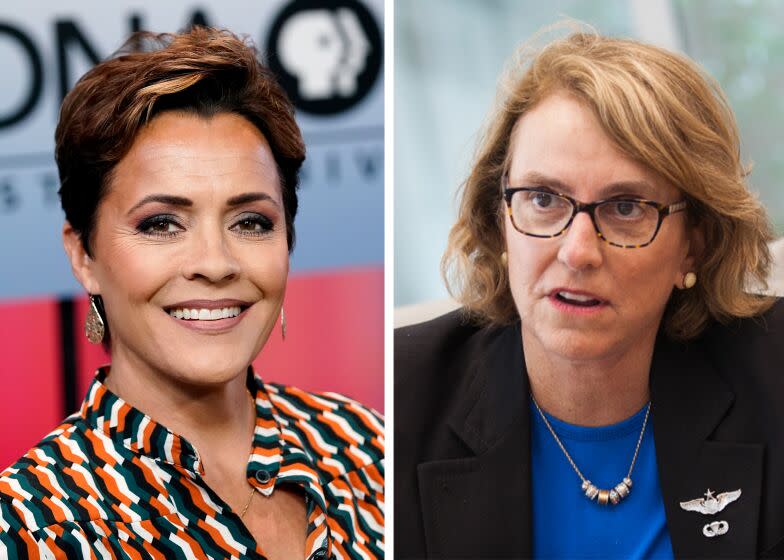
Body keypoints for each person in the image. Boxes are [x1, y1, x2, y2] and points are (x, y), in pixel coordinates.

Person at [395, 29, 784, 559]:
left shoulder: (774, 376)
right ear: (499, 218)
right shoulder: (396, 400)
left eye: (626, 207)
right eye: (542, 199)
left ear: (694, 244)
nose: (577, 252)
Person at [0, 27, 383, 560]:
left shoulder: (365, 444)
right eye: (161, 224)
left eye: (251, 222)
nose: (215, 263)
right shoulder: (30, 526)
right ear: (83, 255)